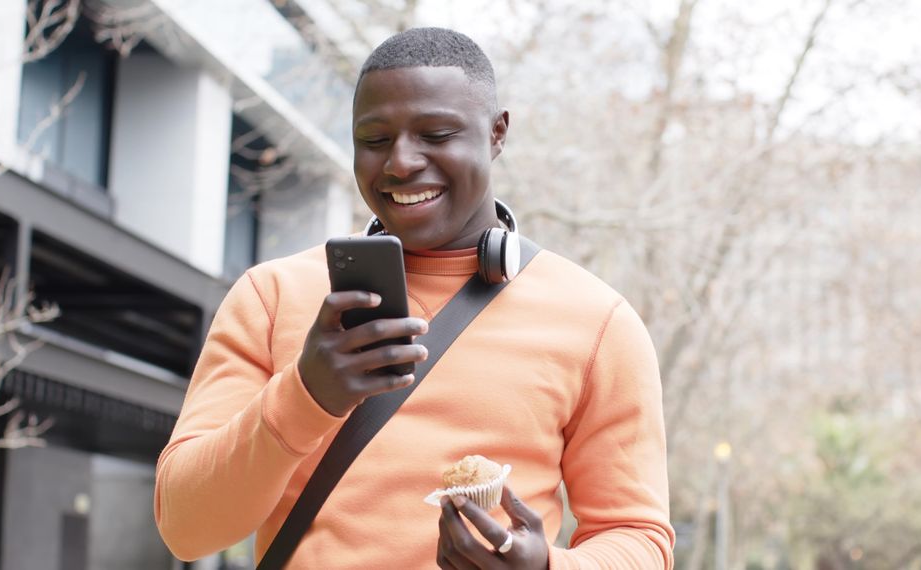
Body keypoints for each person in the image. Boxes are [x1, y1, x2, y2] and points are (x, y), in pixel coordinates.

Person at [155, 27, 675, 569]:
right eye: (375, 140)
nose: (401, 163)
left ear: (497, 133)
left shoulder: (597, 323)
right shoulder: (270, 297)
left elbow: (637, 538)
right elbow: (186, 529)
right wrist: (306, 395)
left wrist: (548, 568)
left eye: (437, 134)